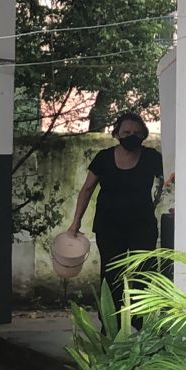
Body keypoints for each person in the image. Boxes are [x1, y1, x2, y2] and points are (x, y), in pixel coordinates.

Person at [67, 112, 164, 315]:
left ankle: (140, 324)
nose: (131, 136)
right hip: (109, 226)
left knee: (142, 274)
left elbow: (171, 179)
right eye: (126, 131)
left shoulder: (152, 158)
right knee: (111, 276)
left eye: (137, 132)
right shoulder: (103, 158)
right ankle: (111, 326)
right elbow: (86, 190)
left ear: (144, 135)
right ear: (117, 134)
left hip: (142, 225)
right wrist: (76, 222)